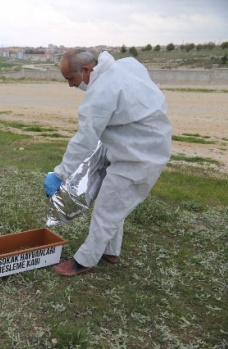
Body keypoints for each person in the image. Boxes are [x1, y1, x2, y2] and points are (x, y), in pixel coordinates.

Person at [44, 49, 172, 276]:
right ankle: (111, 251)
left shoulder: (100, 93)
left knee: (105, 210)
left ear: (86, 70)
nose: (71, 86)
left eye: (71, 79)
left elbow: (84, 140)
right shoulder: (126, 65)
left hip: (139, 157)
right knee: (114, 204)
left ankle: (85, 260)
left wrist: (60, 174)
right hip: (141, 143)